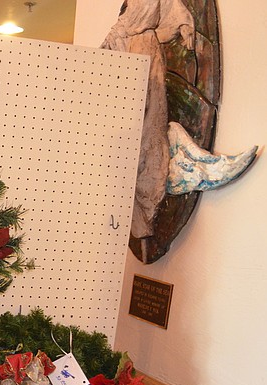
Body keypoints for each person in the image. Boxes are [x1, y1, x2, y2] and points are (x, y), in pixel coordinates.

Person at [101, 0, 194, 239]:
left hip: (147, 54)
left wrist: (185, 27)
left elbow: (175, 11)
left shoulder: (150, 21)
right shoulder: (123, 21)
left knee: (151, 125)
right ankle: (134, 209)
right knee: (129, 132)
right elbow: (115, 37)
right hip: (129, 59)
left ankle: (147, 205)